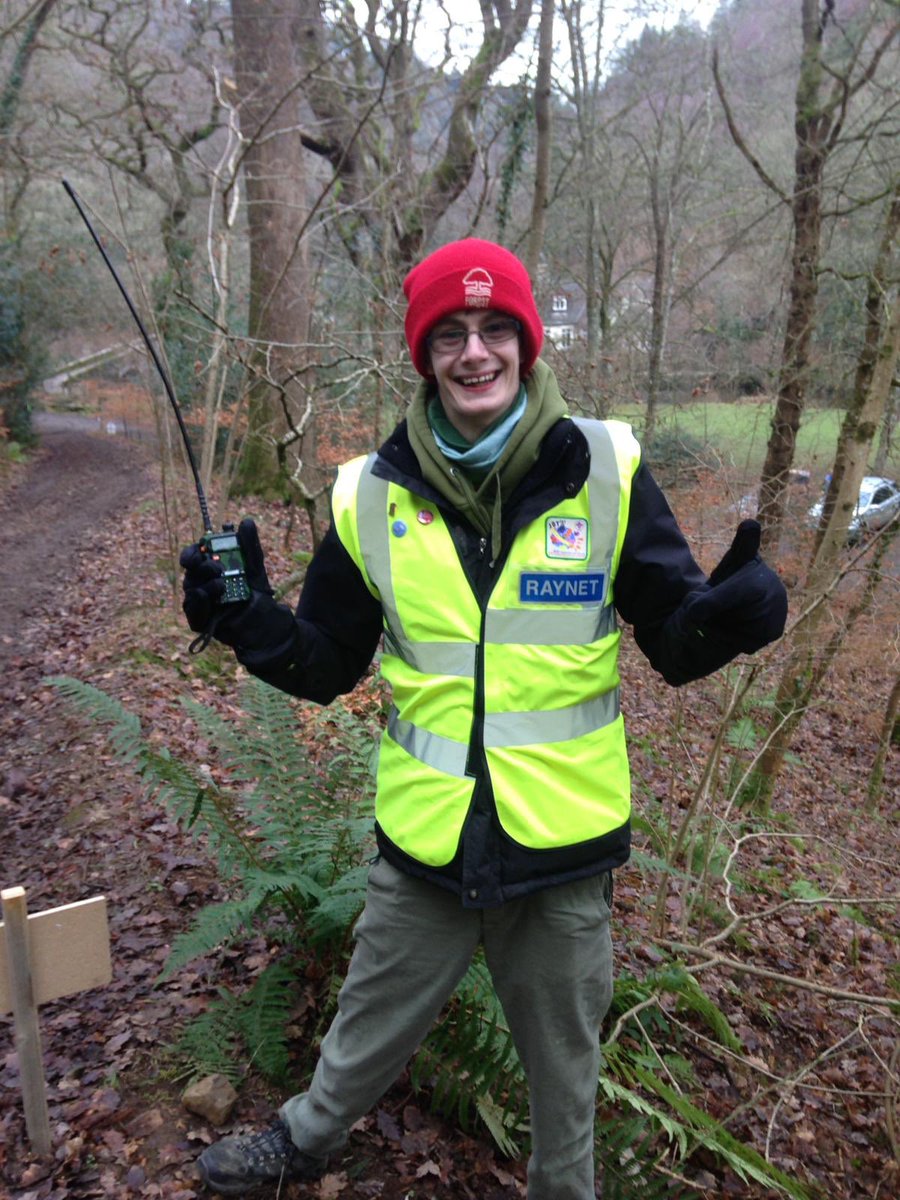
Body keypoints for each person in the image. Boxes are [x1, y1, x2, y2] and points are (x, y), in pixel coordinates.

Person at [180, 238, 788, 1199]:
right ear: (424, 355)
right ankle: (305, 1140)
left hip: (563, 844)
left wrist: (727, 620)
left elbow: (673, 639)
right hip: (426, 839)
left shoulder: (605, 468)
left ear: (527, 343)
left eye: (495, 328)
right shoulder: (367, 493)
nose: (475, 352)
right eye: (451, 334)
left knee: (562, 1065)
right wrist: (248, 625)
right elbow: (329, 662)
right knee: (369, 1016)